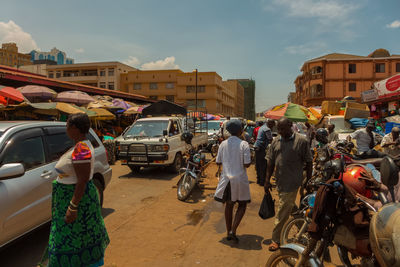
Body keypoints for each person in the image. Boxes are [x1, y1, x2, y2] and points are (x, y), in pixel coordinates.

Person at [48, 113, 109, 266]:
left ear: (75, 128)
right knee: (78, 238)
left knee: (74, 239)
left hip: (76, 201)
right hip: (73, 199)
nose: (66, 128)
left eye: (67, 125)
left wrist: (72, 206)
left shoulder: (81, 148)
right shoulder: (80, 145)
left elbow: (82, 180)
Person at [265, 117, 312, 251]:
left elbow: (309, 162)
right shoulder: (275, 141)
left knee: (282, 210)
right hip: (280, 181)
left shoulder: (301, 141)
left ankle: (276, 239)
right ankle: (305, 227)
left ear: (290, 126)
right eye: (278, 129)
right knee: (290, 206)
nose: (280, 131)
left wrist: (308, 180)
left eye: (282, 128)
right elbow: (270, 162)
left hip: (293, 182)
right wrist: (267, 180)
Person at [214, 119, 252, 243]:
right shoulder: (244, 144)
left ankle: (228, 231)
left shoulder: (223, 144)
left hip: (227, 180)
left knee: (229, 205)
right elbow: (247, 164)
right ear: (240, 130)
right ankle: (233, 230)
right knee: (242, 205)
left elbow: (218, 161)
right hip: (240, 179)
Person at [254, 120, 273, 186]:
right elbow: (270, 139)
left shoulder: (261, 127)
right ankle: (262, 181)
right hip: (261, 148)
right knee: (263, 165)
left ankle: (259, 180)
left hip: (257, 146)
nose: (272, 127)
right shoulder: (267, 129)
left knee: (258, 164)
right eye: (272, 125)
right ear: (270, 124)